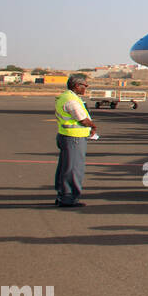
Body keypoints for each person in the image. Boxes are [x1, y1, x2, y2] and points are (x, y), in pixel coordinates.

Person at [54, 75, 96, 207]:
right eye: (85, 86)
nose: (86, 89)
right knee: (74, 168)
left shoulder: (66, 96)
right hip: (74, 138)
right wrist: (93, 126)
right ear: (77, 85)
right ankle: (69, 198)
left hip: (66, 135)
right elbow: (82, 120)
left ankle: (62, 195)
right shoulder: (72, 100)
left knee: (65, 167)